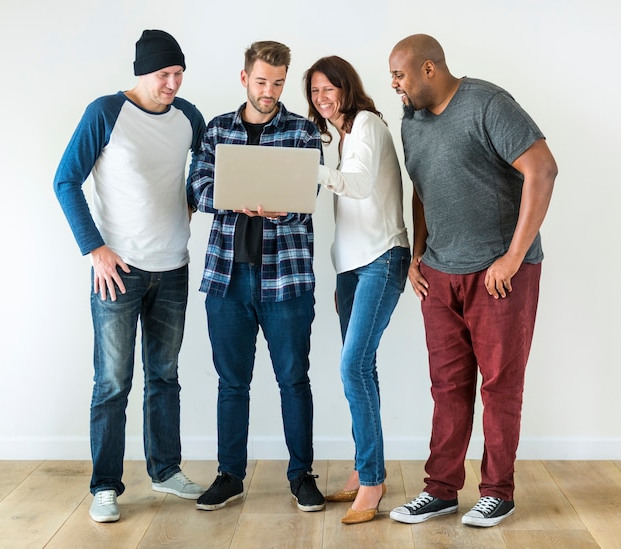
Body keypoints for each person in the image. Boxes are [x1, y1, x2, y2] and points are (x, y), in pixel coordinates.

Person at [387, 34, 557, 528]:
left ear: (429, 70)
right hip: (440, 274)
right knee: (447, 386)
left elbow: (542, 170)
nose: (393, 85)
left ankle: (497, 493)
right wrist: (418, 255)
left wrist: (513, 257)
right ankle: (440, 490)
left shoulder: (488, 103)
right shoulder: (411, 122)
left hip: (499, 275)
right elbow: (422, 189)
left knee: (501, 386)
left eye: (399, 75)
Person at [53, 29, 206, 523]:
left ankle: (165, 470)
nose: (173, 84)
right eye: (165, 74)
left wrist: (189, 201)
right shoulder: (105, 112)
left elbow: (204, 171)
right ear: (142, 72)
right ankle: (105, 485)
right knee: (112, 382)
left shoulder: (189, 118)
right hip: (118, 272)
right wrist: (94, 248)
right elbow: (65, 180)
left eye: (179, 74)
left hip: (174, 269)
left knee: (164, 377)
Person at [187, 41, 325, 513]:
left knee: (294, 379)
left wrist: (281, 210)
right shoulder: (218, 129)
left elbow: (308, 200)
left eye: (279, 83)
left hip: (285, 280)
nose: (270, 91)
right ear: (244, 78)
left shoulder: (303, 133)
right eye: (262, 81)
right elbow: (198, 187)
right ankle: (230, 475)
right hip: (227, 278)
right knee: (232, 382)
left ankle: (302, 475)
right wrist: (233, 196)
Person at [303, 56, 410, 524]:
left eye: (329, 89)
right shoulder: (341, 137)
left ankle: (373, 478)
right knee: (361, 370)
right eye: (314, 92)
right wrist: (339, 271)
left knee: (353, 367)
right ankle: (366, 467)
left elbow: (361, 187)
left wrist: (310, 170)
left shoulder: (366, 124)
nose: (322, 99)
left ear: (347, 88)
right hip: (351, 269)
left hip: (383, 259)